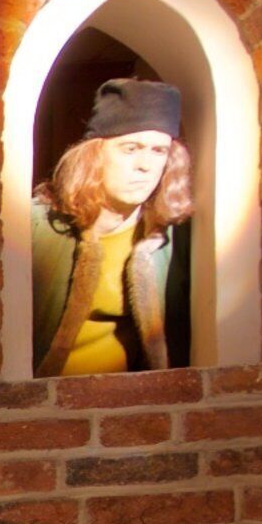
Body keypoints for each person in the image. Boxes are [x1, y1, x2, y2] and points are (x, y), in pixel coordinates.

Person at [30, 76, 194, 377]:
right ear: (94, 155)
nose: (145, 165)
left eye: (158, 151)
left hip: (135, 399)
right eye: (130, 149)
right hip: (45, 398)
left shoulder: (175, 237)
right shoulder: (38, 226)